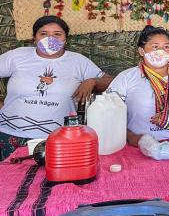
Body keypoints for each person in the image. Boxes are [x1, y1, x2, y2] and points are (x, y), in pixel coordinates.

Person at [0, 16, 112, 160]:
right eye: (43, 34)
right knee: (10, 179)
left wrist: (92, 82)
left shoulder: (77, 61)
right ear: (34, 38)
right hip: (11, 135)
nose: (50, 38)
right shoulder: (17, 56)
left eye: (57, 34)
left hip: (58, 139)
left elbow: (110, 81)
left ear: (66, 39)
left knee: (54, 177)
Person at [108, 26, 169, 146]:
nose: (162, 51)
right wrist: (130, 137)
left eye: (166, 46)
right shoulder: (127, 78)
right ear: (141, 51)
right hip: (140, 146)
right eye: (155, 47)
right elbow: (109, 114)